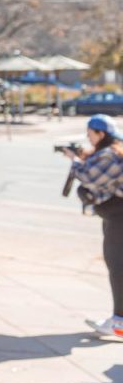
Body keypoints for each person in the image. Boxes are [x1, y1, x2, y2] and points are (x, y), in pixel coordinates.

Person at [63, 114, 123, 342]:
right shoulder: (111, 152)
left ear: (100, 134)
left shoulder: (110, 154)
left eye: (90, 133)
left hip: (119, 218)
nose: (88, 137)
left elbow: (90, 176)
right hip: (115, 217)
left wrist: (75, 161)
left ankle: (119, 321)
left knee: (117, 266)